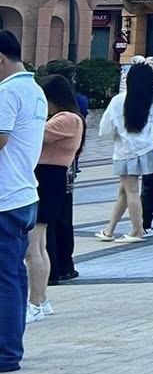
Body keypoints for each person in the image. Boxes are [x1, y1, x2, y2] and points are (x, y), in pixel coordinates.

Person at [0, 30, 45, 373]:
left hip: (5, 198)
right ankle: (10, 348)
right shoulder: (35, 90)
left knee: (6, 277)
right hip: (23, 194)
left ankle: (5, 353)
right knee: (13, 275)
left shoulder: (7, 92)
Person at [27, 72, 83, 317]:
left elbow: (33, 134)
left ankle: (36, 302)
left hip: (48, 179)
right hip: (50, 179)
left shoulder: (67, 119)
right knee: (39, 244)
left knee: (34, 246)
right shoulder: (69, 118)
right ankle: (41, 300)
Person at [99, 61, 153, 242]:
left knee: (131, 191)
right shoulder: (151, 100)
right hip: (145, 149)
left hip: (125, 151)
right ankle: (109, 230)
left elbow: (105, 129)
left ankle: (137, 230)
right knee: (125, 191)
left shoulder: (118, 100)